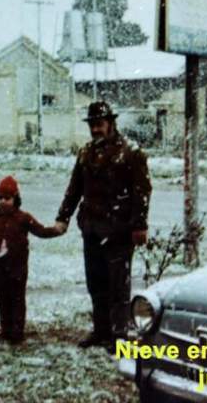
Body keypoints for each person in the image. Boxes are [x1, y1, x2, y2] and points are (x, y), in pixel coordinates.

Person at [55, 101, 152, 350]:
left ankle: (119, 335)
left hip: (119, 230)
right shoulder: (86, 153)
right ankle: (100, 331)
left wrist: (139, 225)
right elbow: (74, 188)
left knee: (118, 286)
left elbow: (141, 191)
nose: (95, 129)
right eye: (92, 125)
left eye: (99, 124)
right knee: (96, 284)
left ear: (110, 123)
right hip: (91, 229)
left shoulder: (131, 152)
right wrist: (63, 217)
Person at [0, 175, 63, 344]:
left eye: (7, 198)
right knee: (3, 298)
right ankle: (6, 329)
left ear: (15, 199)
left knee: (17, 298)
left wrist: (56, 230)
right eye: (0, 198)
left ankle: (17, 331)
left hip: (17, 266)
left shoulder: (23, 218)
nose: (3, 202)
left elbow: (40, 231)